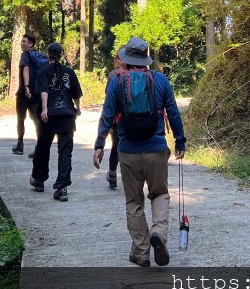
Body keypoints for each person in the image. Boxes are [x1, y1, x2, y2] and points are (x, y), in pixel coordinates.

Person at [93, 37, 185, 268]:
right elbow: (173, 112)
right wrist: (180, 141)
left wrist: (99, 144)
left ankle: (141, 252)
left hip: (128, 151)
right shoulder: (160, 80)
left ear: (125, 59)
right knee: (160, 194)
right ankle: (159, 232)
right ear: (146, 57)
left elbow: (107, 114)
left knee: (134, 202)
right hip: (156, 149)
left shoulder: (116, 81)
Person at [30, 42, 83, 201]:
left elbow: (44, 91)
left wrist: (45, 109)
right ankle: (62, 187)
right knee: (65, 151)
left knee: (43, 147)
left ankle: (39, 180)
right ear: (61, 54)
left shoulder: (43, 71)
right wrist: (77, 108)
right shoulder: (69, 71)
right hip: (67, 114)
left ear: (48, 54)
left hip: (50, 116)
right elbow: (76, 94)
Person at [99, 48, 126, 190]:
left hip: (116, 119)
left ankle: (112, 174)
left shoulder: (113, 75)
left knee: (115, 146)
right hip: (132, 118)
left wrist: (107, 123)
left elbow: (109, 99)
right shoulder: (138, 73)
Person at [13, 34, 42, 156]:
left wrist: (26, 87)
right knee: (36, 119)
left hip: (25, 92)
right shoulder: (38, 56)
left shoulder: (25, 54)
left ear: (30, 44)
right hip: (37, 92)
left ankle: (20, 145)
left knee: (21, 118)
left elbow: (25, 69)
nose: (22, 43)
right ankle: (39, 147)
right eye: (21, 41)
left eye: (24, 41)